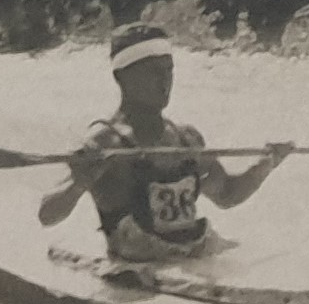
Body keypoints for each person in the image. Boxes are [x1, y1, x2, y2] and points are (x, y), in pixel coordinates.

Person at [37, 24, 291, 261]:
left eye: (169, 70)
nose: (165, 81)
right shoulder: (104, 142)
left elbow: (227, 195)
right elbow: (47, 215)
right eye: (153, 72)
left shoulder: (187, 138)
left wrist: (267, 163)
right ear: (121, 78)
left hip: (195, 253)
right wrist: (79, 184)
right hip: (137, 264)